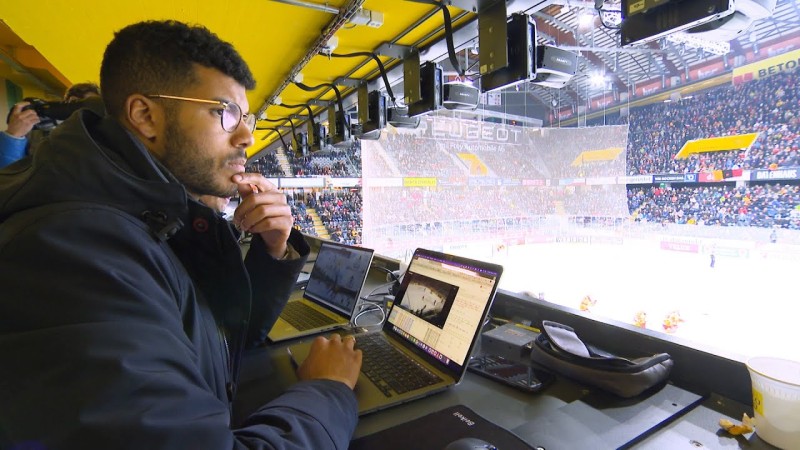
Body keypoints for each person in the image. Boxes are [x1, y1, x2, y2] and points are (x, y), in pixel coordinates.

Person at [0, 20, 361, 450]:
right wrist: (326, 390)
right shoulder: (73, 250)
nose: (248, 136)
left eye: (247, 117)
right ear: (145, 116)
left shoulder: (144, 215)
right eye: (223, 113)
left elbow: (221, 338)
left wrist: (273, 251)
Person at [0, 82, 101, 168]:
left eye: (88, 105)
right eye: (74, 103)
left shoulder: (101, 140)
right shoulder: (37, 130)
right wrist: (13, 136)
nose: (79, 111)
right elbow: (8, 173)